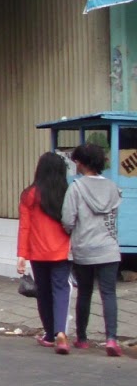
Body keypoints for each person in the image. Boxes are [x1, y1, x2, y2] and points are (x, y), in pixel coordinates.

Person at [61, 141, 122, 356]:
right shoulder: (113, 187)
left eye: (76, 161)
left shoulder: (76, 188)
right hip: (109, 249)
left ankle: (83, 338)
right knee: (109, 294)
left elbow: (68, 220)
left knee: (85, 293)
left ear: (82, 163)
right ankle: (112, 339)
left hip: (85, 248)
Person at [16, 150, 72, 352]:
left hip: (38, 252)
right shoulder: (67, 192)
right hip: (62, 251)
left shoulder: (30, 194)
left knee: (44, 292)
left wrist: (21, 254)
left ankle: (49, 334)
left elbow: (25, 226)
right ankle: (61, 333)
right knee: (61, 289)